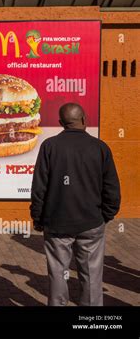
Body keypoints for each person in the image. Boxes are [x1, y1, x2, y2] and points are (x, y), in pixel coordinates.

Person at [30, 102, 121, 306]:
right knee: (92, 276)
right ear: (85, 120)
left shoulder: (50, 146)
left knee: (58, 274)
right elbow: (112, 190)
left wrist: (38, 217)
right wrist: (105, 216)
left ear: (62, 123)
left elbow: (39, 187)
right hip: (91, 222)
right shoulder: (100, 147)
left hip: (56, 223)